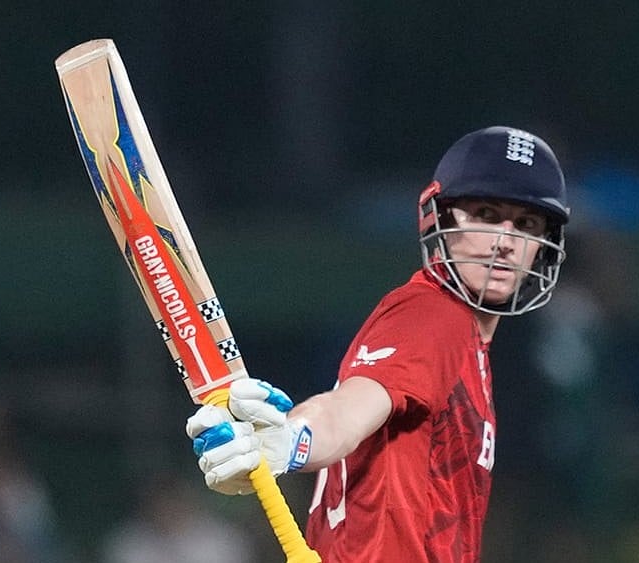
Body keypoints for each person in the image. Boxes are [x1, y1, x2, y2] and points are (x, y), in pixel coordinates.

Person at [186, 125, 569, 562]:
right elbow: (349, 409)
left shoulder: (469, 343)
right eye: (484, 213)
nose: (506, 242)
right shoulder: (435, 316)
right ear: (441, 218)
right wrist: (293, 439)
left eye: (526, 223)